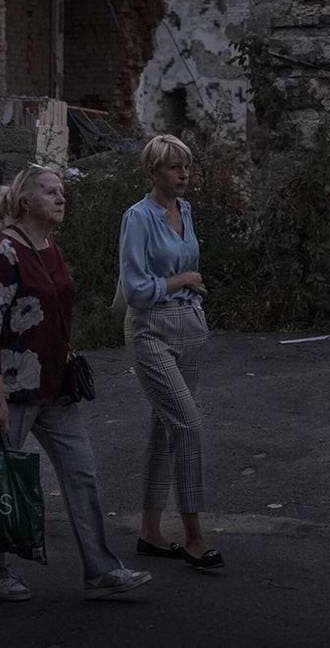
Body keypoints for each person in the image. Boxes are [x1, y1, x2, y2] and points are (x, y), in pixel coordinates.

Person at [0, 162, 150, 602]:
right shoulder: (3, 253)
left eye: (61, 192)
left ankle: (101, 571)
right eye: (50, 192)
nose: (60, 198)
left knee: (81, 473)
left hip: (55, 386)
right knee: (1, 479)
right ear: (26, 201)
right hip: (11, 388)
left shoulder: (48, 246)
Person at [117, 134, 224, 571]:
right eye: (173, 168)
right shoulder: (138, 217)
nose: (183, 175)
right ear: (153, 172)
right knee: (188, 426)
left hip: (188, 326)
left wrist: (191, 295)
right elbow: (136, 289)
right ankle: (195, 537)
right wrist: (181, 282)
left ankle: (150, 530)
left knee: (165, 428)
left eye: (186, 167)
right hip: (150, 330)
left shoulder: (186, 210)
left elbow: (186, 261)